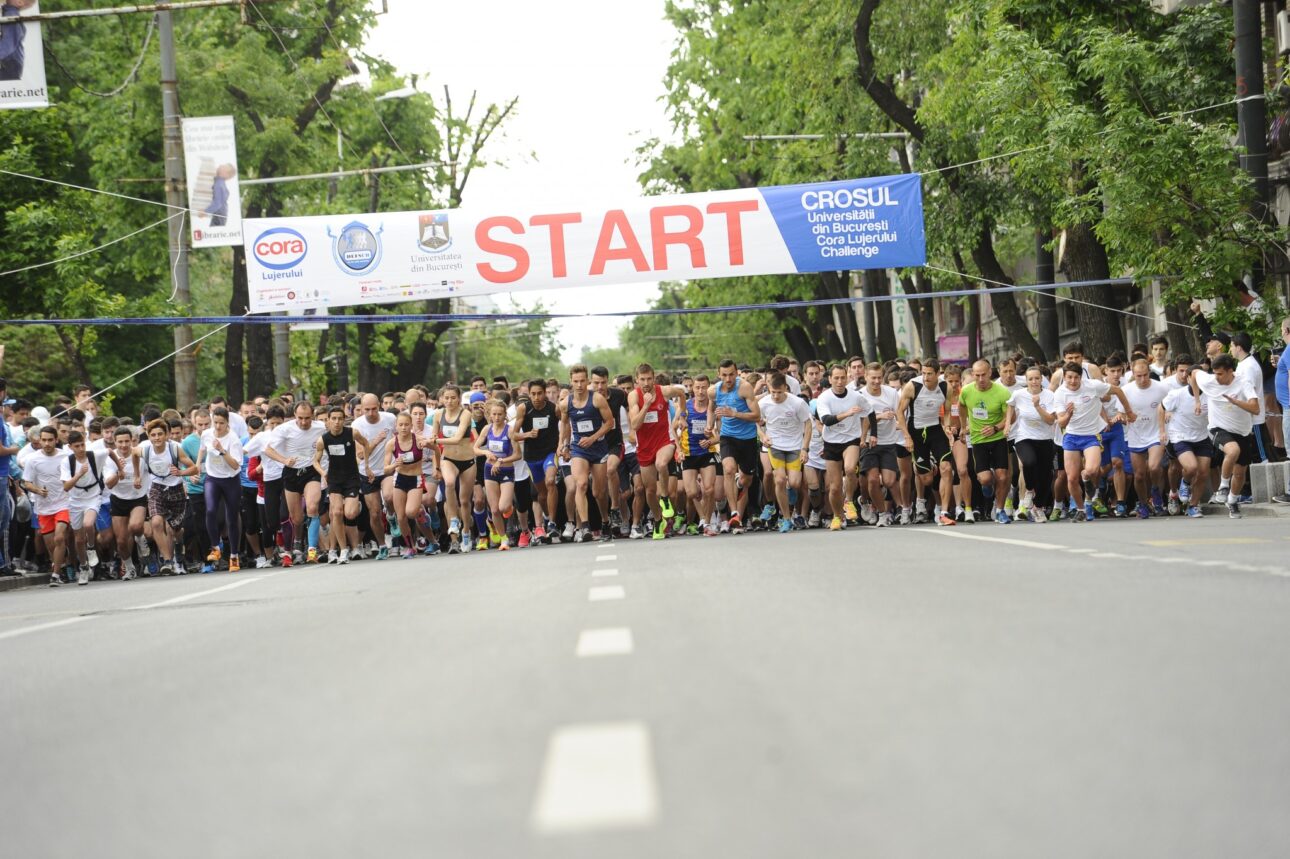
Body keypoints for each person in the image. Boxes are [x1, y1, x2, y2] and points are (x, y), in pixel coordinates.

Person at [1052, 362, 1136, 522]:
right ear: (1064, 377)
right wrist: (1069, 414)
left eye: (1076, 377)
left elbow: (1117, 390)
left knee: (1091, 471)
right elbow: (1062, 423)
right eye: (1069, 377)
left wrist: (1129, 411)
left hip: (1091, 435)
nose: (1072, 381)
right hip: (1071, 436)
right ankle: (1081, 509)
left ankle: (1088, 493)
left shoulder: (1092, 386)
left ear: (1081, 377)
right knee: (1071, 478)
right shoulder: (1060, 393)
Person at [1190, 354, 1260, 518]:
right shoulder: (1209, 380)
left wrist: (1236, 402)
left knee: (1240, 472)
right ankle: (1223, 486)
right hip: (1217, 428)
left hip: (1242, 431)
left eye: (1220, 374)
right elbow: (1193, 374)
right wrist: (1197, 400)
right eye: (1215, 373)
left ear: (1230, 371)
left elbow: (1255, 408)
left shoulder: (1243, 383)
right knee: (1232, 451)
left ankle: (1233, 501)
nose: (1217, 378)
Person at [262, 401, 328, 564]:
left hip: (311, 471)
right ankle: (296, 543)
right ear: (295, 416)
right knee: (296, 518)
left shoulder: (320, 427)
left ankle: (312, 550)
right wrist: (284, 460)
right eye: (300, 418)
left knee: (312, 506)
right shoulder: (284, 429)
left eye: (307, 418)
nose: (304, 422)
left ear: (313, 416)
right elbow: (268, 450)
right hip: (291, 473)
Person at [628, 363, 687, 540]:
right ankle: (658, 519)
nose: (646, 383)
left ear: (654, 378)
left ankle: (666, 498)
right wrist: (646, 405)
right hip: (645, 446)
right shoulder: (634, 396)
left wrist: (682, 414)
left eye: (649, 379)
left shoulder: (664, 391)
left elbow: (682, 393)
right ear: (637, 380)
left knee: (661, 464)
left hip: (664, 440)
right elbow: (635, 425)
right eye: (642, 379)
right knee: (649, 490)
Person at [558, 364, 616, 543]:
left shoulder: (597, 399)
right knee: (581, 484)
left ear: (588, 381)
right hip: (578, 448)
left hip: (598, 448)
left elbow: (609, 423)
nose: (580, 384)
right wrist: (563, 445)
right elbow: (565, 425)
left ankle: (605, 520)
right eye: (576, 381)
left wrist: (592, 438)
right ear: (571, 382)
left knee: (599, 492)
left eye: (583, 381)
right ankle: (584, 526)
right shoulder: (566, 403)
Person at [814, 363, 870, 531]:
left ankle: (849, 501)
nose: (839, 381)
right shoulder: (824, 398)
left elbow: (869, 413)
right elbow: (826, 420)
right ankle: (838, 516)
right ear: (830, 379)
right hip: (831, 442)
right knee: (834, 487)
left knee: (850, 468)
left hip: (851, 439)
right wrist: (847, 414)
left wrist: (866, 435)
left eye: (842, 378)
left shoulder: (856, 396)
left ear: (847, 378)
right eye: (836, 378)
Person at [899, 361, 955, 526]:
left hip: (935, 430)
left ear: (938, 374)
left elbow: (947, 410)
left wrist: (947, 426)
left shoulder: (946, 387)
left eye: (929, 374)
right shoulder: (912, 386)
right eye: (923, 373)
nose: (925, 377)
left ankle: (944, 513)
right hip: (916, 432)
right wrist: (907, 436)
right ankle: (929, 463)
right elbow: (899, 412)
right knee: (927, 480)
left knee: (947, 468)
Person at [313, 405, 371, 564]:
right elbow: (315, 461)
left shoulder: (352, 433)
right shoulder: (323, 440)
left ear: (344, 420)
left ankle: (354, 505)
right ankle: (342, 550)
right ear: (328, 421)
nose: (337, 422)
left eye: (340, 418)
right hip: (334, 479)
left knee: (350, 513)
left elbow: (366, 444)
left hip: (351, 478)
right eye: (333, 419)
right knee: (336, 513)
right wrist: (322, 473)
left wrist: (366, 466)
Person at [710, 359, 762, 533]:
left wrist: (735, 413)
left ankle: (738, 486)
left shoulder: (745, 387)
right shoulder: (713, 391)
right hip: (727, 437)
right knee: (729, 469)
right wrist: (710, 424)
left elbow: (756, 416)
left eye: (731, 374)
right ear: (719, 375)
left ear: (736, 373)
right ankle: (734, 514)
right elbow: (711, 407)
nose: (728, 378)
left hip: (747, 439)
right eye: (724, 375)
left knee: (747, 479)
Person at [140, 418, 198, 575]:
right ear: (148, 436)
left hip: (176, 490)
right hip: (156, 489)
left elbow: (194, 468)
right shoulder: (144, 449)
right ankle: (167, 560)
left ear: (166, 435)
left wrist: (181, 472)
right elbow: (132, 455)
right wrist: (137, 477)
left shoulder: (175, 448)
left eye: (160, 434)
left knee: (175, 530)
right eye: (153, 435)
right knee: (157, 523)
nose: (157, 438)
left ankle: (179, 551)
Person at [858, 362, 912, 527]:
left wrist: (906, 436)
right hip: (869, 442)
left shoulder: (891, 393)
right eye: (872, 378)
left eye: (879, 378)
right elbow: (861, 419)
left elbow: (899, 414)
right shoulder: (859, 396)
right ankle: (882, 513)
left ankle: (903, 509)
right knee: (873, 480)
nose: (876, 381)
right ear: (866, 377)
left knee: (889, 481)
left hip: (889, 441)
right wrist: (880, 417)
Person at [960, 360, 1014, 523]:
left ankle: (999, 510)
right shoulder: (967, 391)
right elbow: (961, 406)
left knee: (1003, 477)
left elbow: (1012, 417)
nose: (981, 378)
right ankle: (988, 486)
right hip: (978, 439)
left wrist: (996, 428)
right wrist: (964, 426)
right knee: (984, 478)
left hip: (998, 438)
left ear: (990, 373)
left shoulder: (1002, 392)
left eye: (984, 375)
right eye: (977, 375)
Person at [756, 372, 811, 532]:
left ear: (785, 389)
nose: (776, 396)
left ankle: (789, 491)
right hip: (775, 446)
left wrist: (805, 448)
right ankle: (786, 519)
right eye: (773, 392)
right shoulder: (764, 403)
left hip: (794, 446)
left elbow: (808, 425)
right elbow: (755, 422)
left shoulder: (797, 403)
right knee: (779, 480)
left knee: (794, 483)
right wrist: (763, 436)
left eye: (779, 392)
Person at [1004, 365, 1057, 522]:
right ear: (1025, 381)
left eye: (1037, 378)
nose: (1034, 382)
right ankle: (1028, 490)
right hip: (1024, 436)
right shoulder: (1018, 394)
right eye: (1030, 379)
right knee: (1028, 462)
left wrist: (1037, 406)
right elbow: (1010, 405)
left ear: (1041, 379)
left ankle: (1038, 508)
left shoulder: (1049, 395)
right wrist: (1007, 423)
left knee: (1046, 476)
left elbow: (1050, 421)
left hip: (1046, 438)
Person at [21, 427, 73, 586]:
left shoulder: (66, 456)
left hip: (64, 503)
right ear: (39, 441)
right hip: (43, 507)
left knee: (59, 537)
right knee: (51, 545)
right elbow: (26, 482)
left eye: (50, 440)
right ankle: (61, 565)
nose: (47, 443)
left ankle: (55, 575)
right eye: (44, 440)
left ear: (56, 440)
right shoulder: (32, 459)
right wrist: (37, 490)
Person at [1160, 356, 1211, 518]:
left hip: (1202, 436)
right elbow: (1161, 409)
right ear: (1188, 379)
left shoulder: (1210, 394)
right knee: (1191, 468)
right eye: (1191, 377)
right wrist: (1162, 431)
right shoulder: (1177, 394)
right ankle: (1185, 483)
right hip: (1180, 436)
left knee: (1203, 473)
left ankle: (1193, 505)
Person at [199, 407, 245, 572]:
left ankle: (234, 555)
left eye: (222, 423)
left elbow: (235, 464)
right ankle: (215, 548)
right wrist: (198, 464)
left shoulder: (233, 440)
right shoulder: (207, 434)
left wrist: (222, 450)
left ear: (227, 423)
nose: (218, 427)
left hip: (231, 480)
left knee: (231, 518)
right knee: (210, 510)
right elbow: (203, 449)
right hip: (212, 478)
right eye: (216, 422)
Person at [513, 379, 559, 544]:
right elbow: (514, 434)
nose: (537, 397)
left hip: (550, 453)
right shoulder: (524, 408)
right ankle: (547, 517)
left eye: (540, 393)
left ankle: (553, 523)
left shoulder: (554, 409)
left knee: (551, 481)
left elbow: (565, 426)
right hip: (532, 457)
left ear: (545, 393)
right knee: (541, 495)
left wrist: (562, 446)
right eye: (533, 394)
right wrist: (527, 435)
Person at [1121, 359, 1168, 519]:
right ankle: (1143, 504)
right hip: (1136, 435)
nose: (1142, 379)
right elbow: (1121, 413)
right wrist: (1124, 417)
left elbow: (1171, 406)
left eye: (1145, 375)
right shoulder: (1126, 390)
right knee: (1139, 475)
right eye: (1138, 376)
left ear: (1149, 372)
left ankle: (1155, 490)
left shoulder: (1161, 388)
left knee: (1154, 467)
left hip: (1156, 433)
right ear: (1132, 374)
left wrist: (1168, 414)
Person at [352, 393, 397, 558]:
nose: (371, 413)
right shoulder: (357, 426)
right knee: (375, 513)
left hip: (387, 469)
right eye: (367, 410)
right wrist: (375, 442)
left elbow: (400, 437)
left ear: (379, 405)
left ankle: (391, 516)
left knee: (389, 496)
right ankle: (382, 544)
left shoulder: (390, 419)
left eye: (374, 409)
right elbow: (361, 455)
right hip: (367, 472)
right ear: (361, 409)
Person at [474, 399, 522, 550]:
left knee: (503, 507)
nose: (497, 417)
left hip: (506, 470)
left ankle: (509, 508)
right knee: (494, 509)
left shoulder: (509, 431)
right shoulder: (486, 429)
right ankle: (503, 539)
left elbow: (518, 455)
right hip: (489, 470)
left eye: (500, 414)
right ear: (490, 415)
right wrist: (485, 452)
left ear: (504, 415)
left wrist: (501, 460)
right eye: (494, 414)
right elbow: (475, 448)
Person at [435, 385, 477, 554]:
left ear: (459, 399)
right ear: (442, 399)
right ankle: (453, 520)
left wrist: (435, 440)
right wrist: (437, 464)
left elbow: (458, 437)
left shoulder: (465, 414)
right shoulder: (438, 415)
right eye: (447, 398)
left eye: (453, 398)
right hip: (448, 458)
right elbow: (435, 442)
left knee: (465, 501)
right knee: (450, 483)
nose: (450, 401)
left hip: (467, 460)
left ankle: (466, 532)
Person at [60, 430, 105, 584]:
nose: (81, 448)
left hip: (93, 496)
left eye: (82, 444)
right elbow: (66, 486)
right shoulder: (67, 462)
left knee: (88, 524)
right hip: (75, 500)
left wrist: (120, 469)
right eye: (77, 446)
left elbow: (111, 452)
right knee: (79, 540)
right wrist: (79, 474)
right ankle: (84, 566)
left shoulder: (93, 455)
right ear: (70, 447)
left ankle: (91, 547)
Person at [104, 426, 148, 580]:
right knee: (121, 541)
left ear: (132, 441)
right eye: (120, 442)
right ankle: (129, 568)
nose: (123, 445)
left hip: (138, 497)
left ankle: (140, 537)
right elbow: (109, 484)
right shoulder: (110, 458)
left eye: (126, 441)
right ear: (114, 442)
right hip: (118, 499)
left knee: (135, 526)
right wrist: (118, 472)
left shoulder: (141, 453)